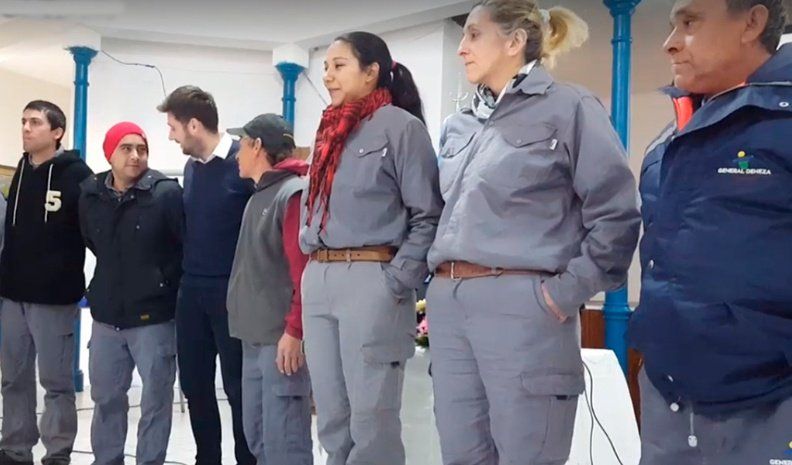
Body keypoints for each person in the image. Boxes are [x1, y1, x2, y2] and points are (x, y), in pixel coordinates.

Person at [425, 2, 641, 464]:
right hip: (449, 305)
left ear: (514, 41)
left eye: (473, 34)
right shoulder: (458, 125)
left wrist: (561, 295)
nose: (461, 48)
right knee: (460, 455)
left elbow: (617, 214)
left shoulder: (569, 107)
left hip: (524, 306)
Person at [629, 1, 792, 464]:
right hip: (669, 394)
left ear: (752, 22)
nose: (670, 43)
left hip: (769, 401)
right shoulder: (673, 134)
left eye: (690, 22)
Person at [299, 31, 443, 465]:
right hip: (319, 275)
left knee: (371, 419)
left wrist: (395, 282)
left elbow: (428, 215)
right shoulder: (328, 131)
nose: (328, 76)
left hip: (371, 276)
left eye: (339, 65)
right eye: (326, 67)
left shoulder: (401, 128)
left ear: (371, 72)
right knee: (330, 417)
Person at [157, 86, 255, 465]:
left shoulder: (242, 163)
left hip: (232, 293)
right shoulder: (192, 168)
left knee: (238, 388)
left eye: (173, 127)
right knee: (195, 385)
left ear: (194, 125)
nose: (171, 136)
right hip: (192, 291)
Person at [79, 122, 183, 465]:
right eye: (126, 148)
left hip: (154, 318)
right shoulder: (90, 194)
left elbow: (181, 248)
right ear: (109, 153)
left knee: (156, 400)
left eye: (142, 149)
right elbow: (92, 242)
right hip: (107, 317)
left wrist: (161, 283)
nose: (136, 156)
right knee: (106, 398)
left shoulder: (166, 194)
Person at [0, 100, 93, 465]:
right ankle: (14, 447)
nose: (26, 128)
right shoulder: (21, 171)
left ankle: (57, 452)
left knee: (56, 382)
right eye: (24, 121)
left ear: (57, 132)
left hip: (54, 299)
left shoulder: (77, 175)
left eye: (35, 122)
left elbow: (93, 232)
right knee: (13, 379)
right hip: (13, 296)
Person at [226, 114, 312, 465]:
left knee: (285, 443)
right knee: (259, 439)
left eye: (242, 145)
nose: (237, 154)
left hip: (280, 342)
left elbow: (303, 272)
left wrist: (295, 330)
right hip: (254, 338)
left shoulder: (292, 195)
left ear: (258, 146)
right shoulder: (259, 196)